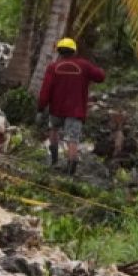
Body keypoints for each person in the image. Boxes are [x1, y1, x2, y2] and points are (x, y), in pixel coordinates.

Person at [37, 38, 105, 176]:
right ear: (74, 51)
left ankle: (54, 161)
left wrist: (40, 108)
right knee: (73, 139)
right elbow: (100, 77)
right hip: (75, 111)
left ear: (59, 52)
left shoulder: (53, 67)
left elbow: (45, 91)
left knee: (53, 131)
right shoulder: (84, 66)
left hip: (56, 109)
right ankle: (70, 172)